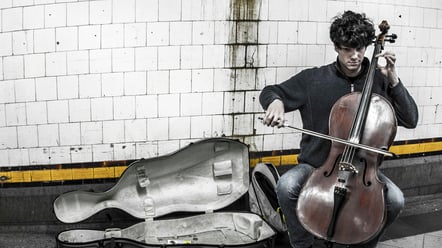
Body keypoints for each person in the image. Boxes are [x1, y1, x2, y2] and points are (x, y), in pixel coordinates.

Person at [259, 10, 418, 248]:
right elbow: (272, 91)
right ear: (336, 47)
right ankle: (302, 244)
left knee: (395, 200)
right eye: (347, 49)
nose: (354, 56)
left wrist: (394, 80)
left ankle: (363, 243)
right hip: (315, 167)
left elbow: (411, 118)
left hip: (363, 172)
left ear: (368, 47)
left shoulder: (381, 80)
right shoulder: (313, 79)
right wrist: (276, 104)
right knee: (287, 185)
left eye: (361, 48)